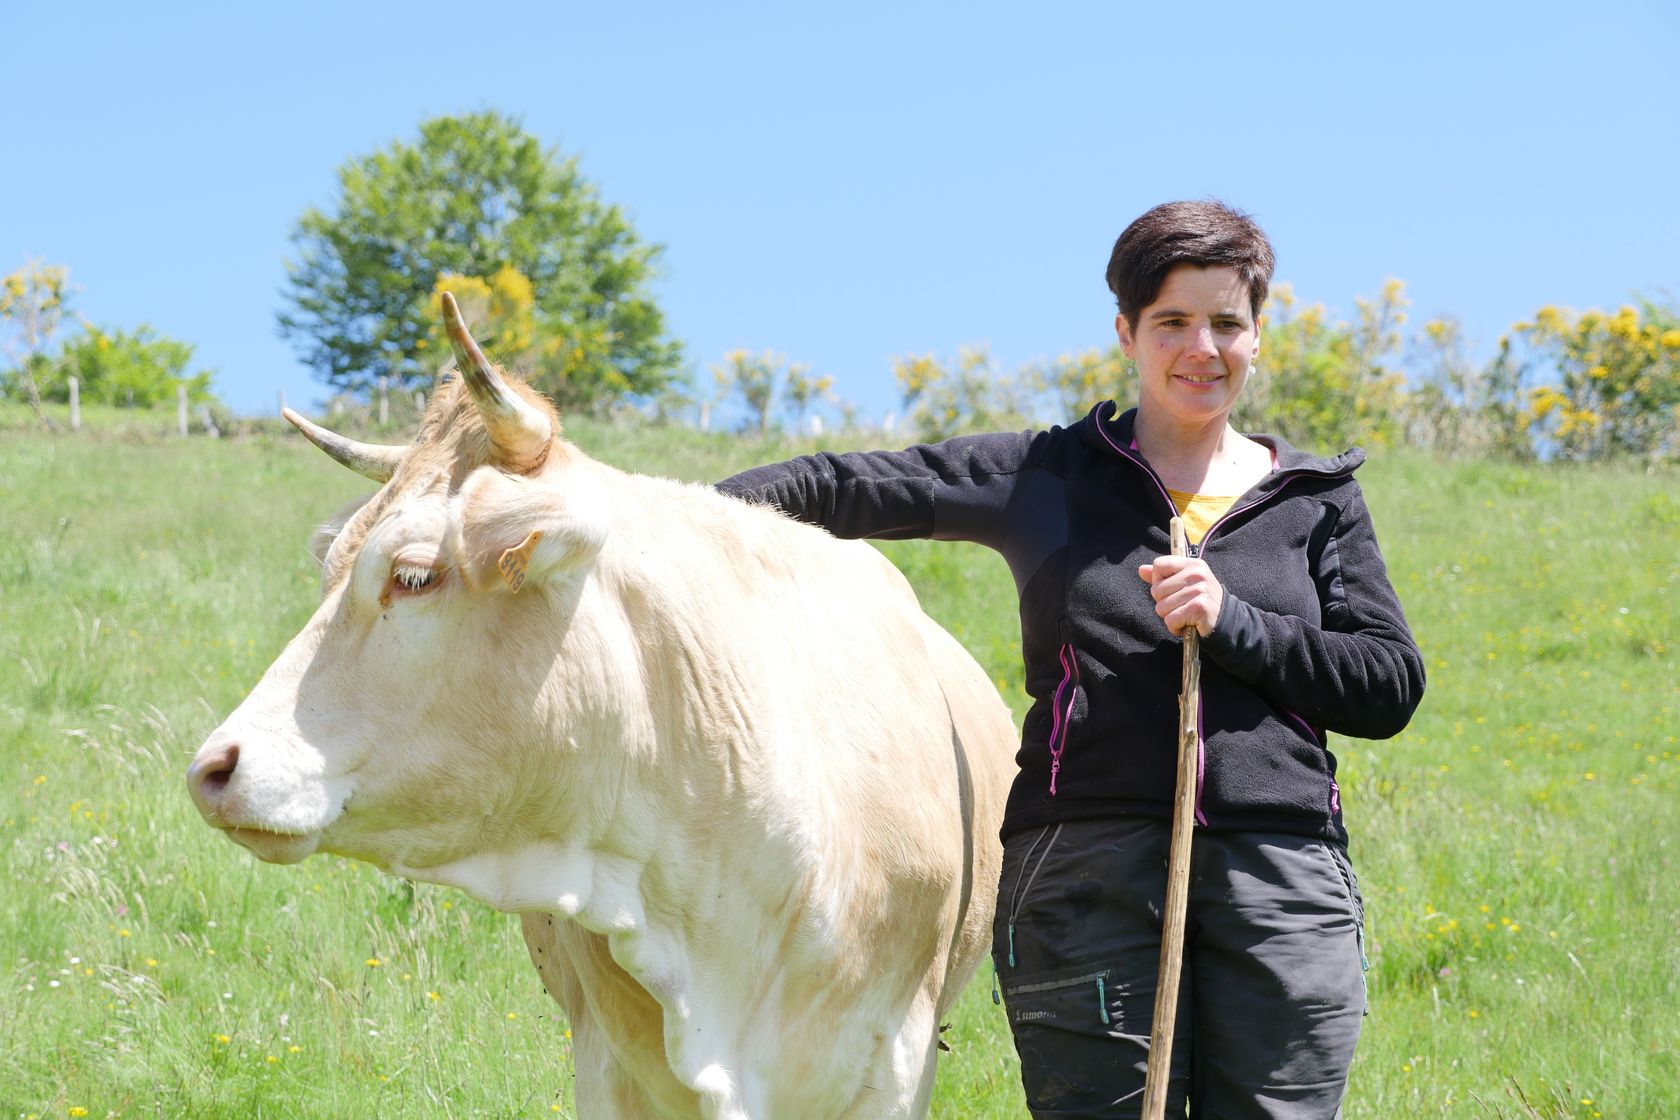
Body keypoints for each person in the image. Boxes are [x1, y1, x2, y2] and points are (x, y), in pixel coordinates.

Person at [716, 199, 1424, 1118]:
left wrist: (1234, 621)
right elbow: (848, 486)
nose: (1200, 347)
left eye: (1225, 323)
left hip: (1283, 878)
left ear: (1258, 333)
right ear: (1127, 332)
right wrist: (667, 521)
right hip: (1085, 875)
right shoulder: (1048, 476)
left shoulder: (1316, 501)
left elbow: (1387, 683)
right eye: (1171, 322)